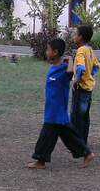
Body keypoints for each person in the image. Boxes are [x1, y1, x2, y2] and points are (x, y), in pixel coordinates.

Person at [27, 38, 96, 169]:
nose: (46, 52)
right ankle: (87, 153)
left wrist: (70, 59)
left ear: (55, 52)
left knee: (46, 136)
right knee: (69, 137)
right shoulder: (54, 67)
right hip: (53, 110)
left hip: (56, 111)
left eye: (48, 50)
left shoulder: (65, 68)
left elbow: (71, 73)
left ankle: (40, 160)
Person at [71, 24, 100, 145]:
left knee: (77, 116)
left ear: (80, 37)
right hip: (89, 88)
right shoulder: (90, 50)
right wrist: (90, 76)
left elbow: (81, 68)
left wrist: (76, 81)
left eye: (76, 34)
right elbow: (97, 66)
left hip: (80, 88)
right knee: (85, 116)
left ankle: (77, 142)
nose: (74, 36)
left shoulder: (81, 51)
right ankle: (83, 140)